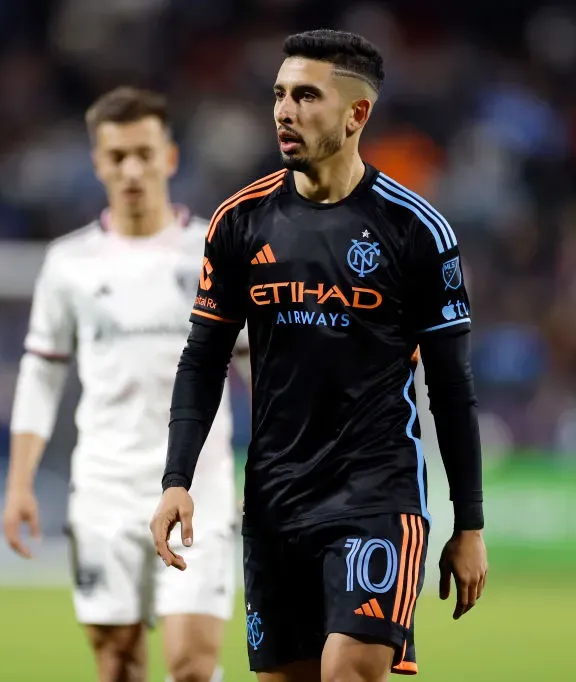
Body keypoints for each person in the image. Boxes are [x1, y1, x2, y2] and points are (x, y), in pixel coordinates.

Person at [151, 30, 488, 682]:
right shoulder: (240, 222)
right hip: (276, 500)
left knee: (349, 672)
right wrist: (176, 480)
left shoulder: (416, 230)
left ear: (356, 114)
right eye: (279, 94)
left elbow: (452, 390)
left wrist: (468, 525)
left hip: (375, 496)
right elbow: (203, 359)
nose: (284, 110)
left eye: (306, 96)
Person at [3, 86, 246, 682]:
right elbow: (41, 374)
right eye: (117, 156)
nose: (132, 169)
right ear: (98, 164)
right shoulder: (69, 264)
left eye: (143, 152)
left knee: (192, 664)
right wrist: (19, 483)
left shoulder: (212, 254)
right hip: (105, 488)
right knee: (117, 664)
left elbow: (259, 370)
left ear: (170, 156)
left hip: (201, 488)